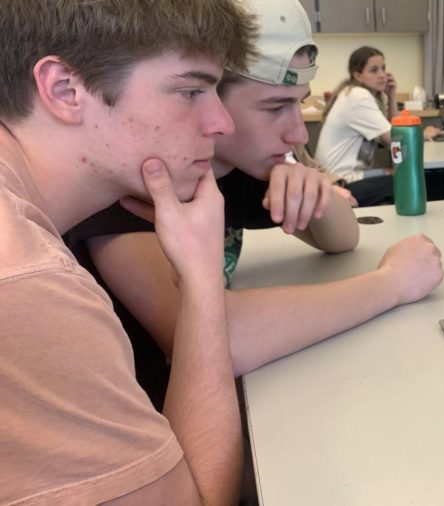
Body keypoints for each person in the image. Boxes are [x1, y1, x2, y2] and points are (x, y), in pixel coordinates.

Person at [65, 0, 444, 410]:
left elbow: (341, 239)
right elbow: (217, 340)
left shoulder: (233, 172)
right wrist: (391, 282)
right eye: (275, 107)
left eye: (298, 103)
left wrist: (312, 184)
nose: (297, 131)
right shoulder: (136, 187)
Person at [0, 0, 255, 503]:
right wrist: (202, 276)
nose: (223, 123)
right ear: (64, 90)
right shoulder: (28, 281)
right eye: (190, 91)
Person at [316, 46, 441, 207]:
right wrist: (426, 134)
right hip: (341, 182)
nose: (382, 75)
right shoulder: (358, 97)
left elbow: (396, 129)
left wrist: (391, 95)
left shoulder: (354, 93)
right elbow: (396, 140)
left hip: (345, 176)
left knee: (402, 174)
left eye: (383, 68)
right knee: (418, 182)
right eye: (374, 70)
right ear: (358, 75)